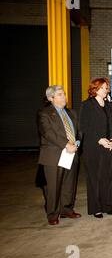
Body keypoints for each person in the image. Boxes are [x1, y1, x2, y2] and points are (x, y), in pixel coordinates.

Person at [37, 85, 81, 225]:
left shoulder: (71, 113)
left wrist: (77, 143)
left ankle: (67, 209)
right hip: (54, 155)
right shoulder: (44, 113)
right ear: (51, 98)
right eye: (60, 94)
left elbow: (79, 131)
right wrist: (66, 144)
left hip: (72, 153)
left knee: (69, 184)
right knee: (53, 186)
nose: (64, 97)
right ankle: (53, 214)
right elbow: (48, 133)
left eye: (64, 94)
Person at [79, 78, 112, 218]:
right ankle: (96, 208)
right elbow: (84, 126)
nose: (106, 90)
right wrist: (99, 139)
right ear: (95, 89)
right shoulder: (87, 105)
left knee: (107, 177)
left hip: (110, 146)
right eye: (103, 87)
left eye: (107, 88)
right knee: (94, 178)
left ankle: (107, 205)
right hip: (94, 147)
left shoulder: (110, 105)